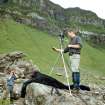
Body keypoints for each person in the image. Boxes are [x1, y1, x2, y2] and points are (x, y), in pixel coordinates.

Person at [53, 28, 82, 92]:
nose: (68, 35)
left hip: (75, 55)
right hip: (71, 56)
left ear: (72, 32)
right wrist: (57, 50)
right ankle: (75, 86)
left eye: (69, 34)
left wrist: (70, 45)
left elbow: (79, 46)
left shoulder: (77, 38)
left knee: (75, 70)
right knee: (73, 70)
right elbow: (65, 50)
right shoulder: (71, 40)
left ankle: (76, 87)